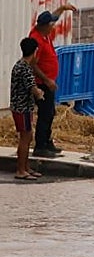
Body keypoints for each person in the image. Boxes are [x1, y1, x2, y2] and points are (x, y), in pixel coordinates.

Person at [28, 4, 77, 158]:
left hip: (49, 81)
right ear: (44, 26)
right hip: (41, 83)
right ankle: (40, 145)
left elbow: (54, 16)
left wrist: (63, 8)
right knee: (45, 113)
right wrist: (46, 80)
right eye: (50, 25)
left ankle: (48, 142)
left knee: (50, 112)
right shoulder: (36, 39)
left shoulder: (44, 34)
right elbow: (33, 64)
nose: (53, 27)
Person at [11, 37, 46, 180]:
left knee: (28, 136)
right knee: (25, 138)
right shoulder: (25, 68)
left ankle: (26, 167)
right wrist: (40, 94)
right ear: (35, 51)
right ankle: (21, 170)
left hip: (21, 107)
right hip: (22, 108)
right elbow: (33, 88)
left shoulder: (19, 65)